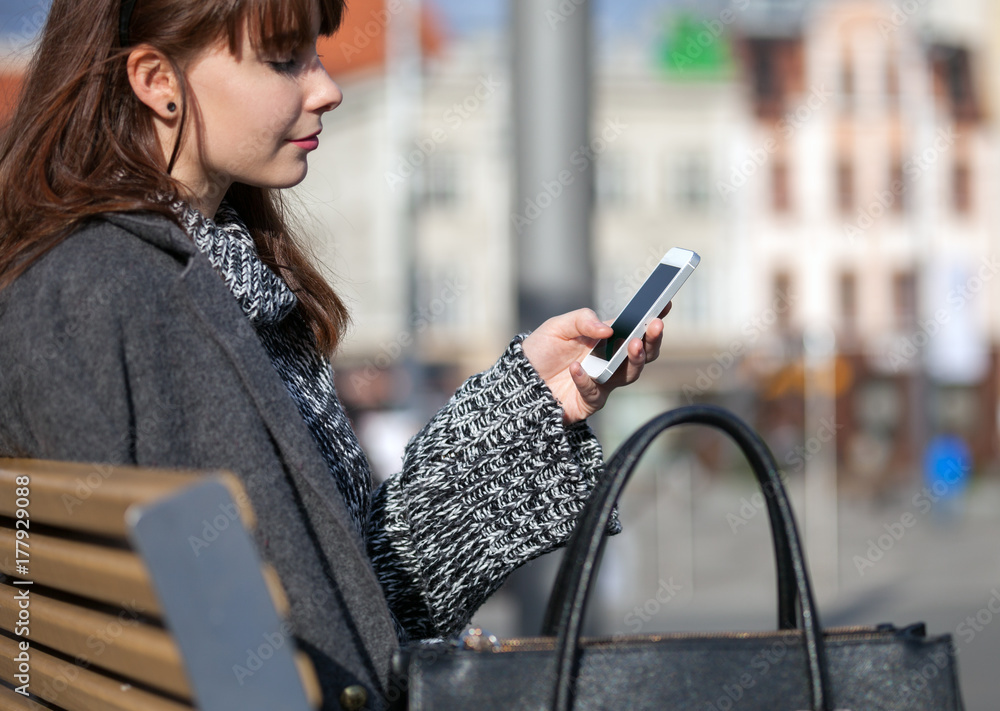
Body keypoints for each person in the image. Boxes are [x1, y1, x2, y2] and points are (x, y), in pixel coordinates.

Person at [0, 0, 668, 708]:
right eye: (286, 60)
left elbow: (349, 602)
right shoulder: (102, 299)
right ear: (156, 79)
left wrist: (526, 407)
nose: (327, 88)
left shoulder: (197, 280)